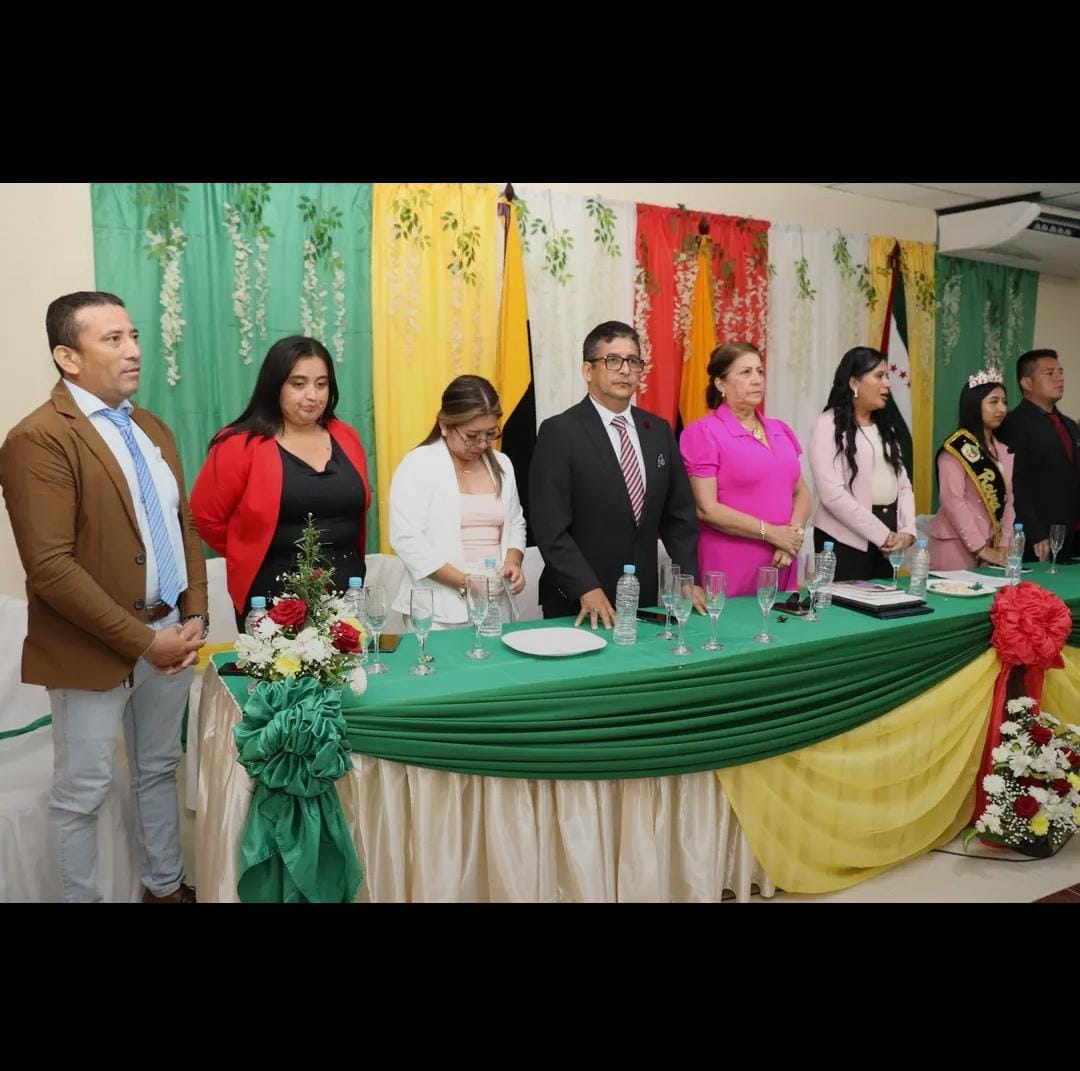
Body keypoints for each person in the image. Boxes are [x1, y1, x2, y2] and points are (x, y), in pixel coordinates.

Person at [0, 291, 207, 903]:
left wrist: (194, 611)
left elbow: (183, 525)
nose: (133, 350)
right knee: (82, 795)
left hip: (171, 633)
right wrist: (144, 642)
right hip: (93, 648)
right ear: (68, 357)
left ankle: (164, 888)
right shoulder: (38, 438)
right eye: (112, 339)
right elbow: (50, 568)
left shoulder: (150, 426)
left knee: (158, 771)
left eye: (133, 335)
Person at [530, 320, 703, 628]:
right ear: (588, 370)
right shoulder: (560, 432)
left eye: (633, 361)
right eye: (613, 360)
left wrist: (688, 578)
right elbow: (550, 526)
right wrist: (585, 586)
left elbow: (680, 516)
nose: (625, 370)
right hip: (578, 602)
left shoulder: (658, 430)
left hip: (643, 598)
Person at [190, 336, 371, 627]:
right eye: (299, 384)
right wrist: (251, 548)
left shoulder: (346, 436)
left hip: (347, 592)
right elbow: (205, 519)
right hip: (271, 597)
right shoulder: (238, 445)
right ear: (275, 386)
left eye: (321, 384)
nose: (312, 395)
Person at [389, 375, 526, 629]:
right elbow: (406, 539)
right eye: (472, 436)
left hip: (494, 599)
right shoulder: (418, 464)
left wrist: (513, 561)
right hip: (437, 608)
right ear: (444, 425)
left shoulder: (502, 464)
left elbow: (516, 522)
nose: (482, 444)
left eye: (490, 434)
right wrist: (465, 581)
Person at [679, 341, 811, 595]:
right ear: (721, 384)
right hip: (729, 565)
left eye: (760, 371)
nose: (757, 380)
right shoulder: (704, 432)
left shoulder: (780, 429)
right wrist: (772, 533)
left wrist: (791, 537)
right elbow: (707, 509)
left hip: (781, 559)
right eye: (745, 372)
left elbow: (801, 492)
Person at [808, 346, 916, 581]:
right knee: (846, 605)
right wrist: (882, 535)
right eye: (879, 376)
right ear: (854, 383)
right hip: (843, 542)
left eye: (887, 376)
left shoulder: (886, 426)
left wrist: (908, 531)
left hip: (888, 544)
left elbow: (904, 485)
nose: (887, 384)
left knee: (887, 603)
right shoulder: (827, 425)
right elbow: (832, 495)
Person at [996, 348, 1080, 561]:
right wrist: (1034, 532)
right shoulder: (1012, 424)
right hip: (1035, 539)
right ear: (1027, 383)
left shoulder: (1069, 425)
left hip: (1071, 536)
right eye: (1049, 373)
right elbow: (1014, 485)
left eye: (1060, 372)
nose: (1059, 378)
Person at [929, 370, 1015, 570]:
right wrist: (980, 548)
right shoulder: (956, 448)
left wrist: (1004, 543)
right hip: (955, 544)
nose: (1002, 408)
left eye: (1004, 402)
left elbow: (1008, 501)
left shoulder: (1003, 450)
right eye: (993, 402)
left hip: (993, 547)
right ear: (974, 405)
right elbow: (952, 501)